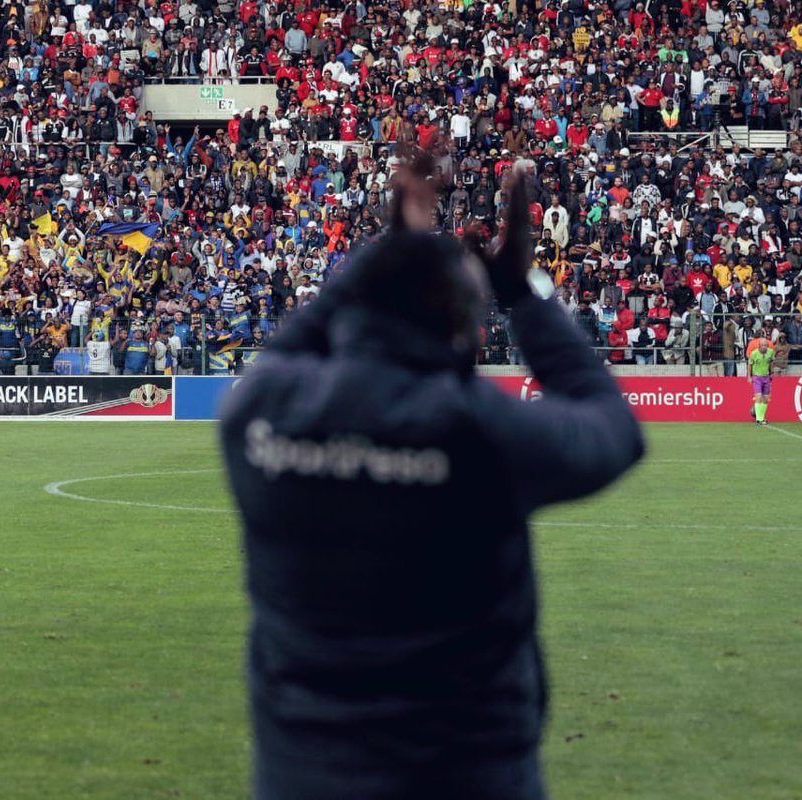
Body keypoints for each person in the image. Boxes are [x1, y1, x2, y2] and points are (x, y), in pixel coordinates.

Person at [219, 152, 644, 800]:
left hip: (305, 773)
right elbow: (613, 429)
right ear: (461, 326)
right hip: (468, 770)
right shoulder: (476, 430)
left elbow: (304, 334)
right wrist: (520, 293)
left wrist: (387, 249)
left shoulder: (260, 413)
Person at [747, 339, 775, 425]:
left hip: (766, 377)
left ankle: (762, 418)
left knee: (766, 399)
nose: (764, 347)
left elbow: (771, 362)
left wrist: (772, 372)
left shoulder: (770, 352)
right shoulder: (754, 353)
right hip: (757, 377)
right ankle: (758, 419)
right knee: (758, 397)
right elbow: (750, 365)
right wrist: (749, 376)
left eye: (765, 345)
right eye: (762, 345)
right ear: (759, 346)